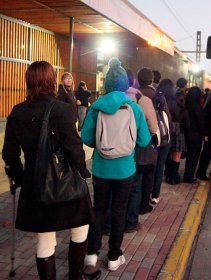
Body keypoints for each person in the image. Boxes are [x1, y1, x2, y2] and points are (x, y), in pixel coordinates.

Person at [2, 61, 92, 280]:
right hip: (65, 178)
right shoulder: (62, 109)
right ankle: (76, 277)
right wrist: (82, 170)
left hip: (35, 183)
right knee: (80, 229)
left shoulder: (17, 112)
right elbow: (73, 147)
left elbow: (10, 154)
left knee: (45, 239)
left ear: (29, 81)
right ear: (52, 80)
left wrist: (19, 177)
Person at [81, 58, 151, 272]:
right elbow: (144, 140)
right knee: (119, 211)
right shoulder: (134, 108)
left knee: (99, 209)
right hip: (125, 170)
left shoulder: (97, 107)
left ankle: (91, 254)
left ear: (106, 84)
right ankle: (113, 257)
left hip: (102, 168)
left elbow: (86, 136)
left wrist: (102, 145)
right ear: (125, 84)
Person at [124, 69, 158, 233]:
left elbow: (88, 136)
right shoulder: (141, 100)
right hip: (135, 150)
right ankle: (130, 222)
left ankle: (107, 225)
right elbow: (152, 127)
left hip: (107, 156)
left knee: (110, 191)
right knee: (135, 185)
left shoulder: (102, 101)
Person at [152, 79, 174, 204]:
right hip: (165, 137)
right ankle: (155, 195)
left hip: (154, 135)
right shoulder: (172, 99)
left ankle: (147, 193)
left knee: (151, 166)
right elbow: (170, 119)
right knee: (160, 166)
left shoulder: (153, 96)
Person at [167, 77, 188, 185]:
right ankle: (173, 177)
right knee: (177, 154)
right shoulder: (181, 96)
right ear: (185, 85)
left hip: (171, 126)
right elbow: (181, 113)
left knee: (171, 153)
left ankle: (169, 175)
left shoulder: (172, 94)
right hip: (178, 127)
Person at [183, 86, 206, 183]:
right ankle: (189, 177)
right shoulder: (197, 107)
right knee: (194, 156)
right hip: (196, 135)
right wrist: (205, 133)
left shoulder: (187, 105)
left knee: (189, 156)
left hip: (187, 133)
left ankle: (187, 175)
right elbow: (200, 122)